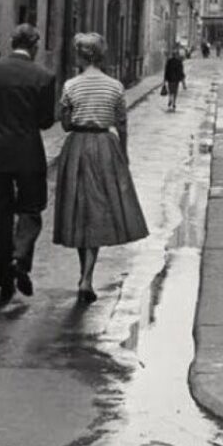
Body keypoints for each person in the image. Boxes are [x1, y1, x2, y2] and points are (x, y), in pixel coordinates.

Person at [53, 32, 148, 303]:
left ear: (82, 55)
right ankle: (87, 276)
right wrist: (124, 153)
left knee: (79, 210)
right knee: (98, 210)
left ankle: (84, 274)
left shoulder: (71, 85)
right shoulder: (115, 86)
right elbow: (122, 123)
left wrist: (73, 115)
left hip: (78, 146)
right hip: (106, 146)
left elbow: (65, 124)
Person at [0, 23, 55, 303]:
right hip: (28, 154)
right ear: (35, 46)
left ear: (11, 43)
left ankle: (4, 279)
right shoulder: (44, 76)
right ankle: (20, 258)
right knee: (31, 209)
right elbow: (45, 121)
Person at [163, 45, 186, 111]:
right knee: (175, 91)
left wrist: (165, 79)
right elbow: (181, 72)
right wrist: (183, 82)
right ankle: (174, 103)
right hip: (176, 80)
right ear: (177, 55)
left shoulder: (169, 61)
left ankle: (170, 98)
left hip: (170, 79)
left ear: (172, 55)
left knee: (170, 90)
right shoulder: (179, 62)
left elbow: (166, 71)